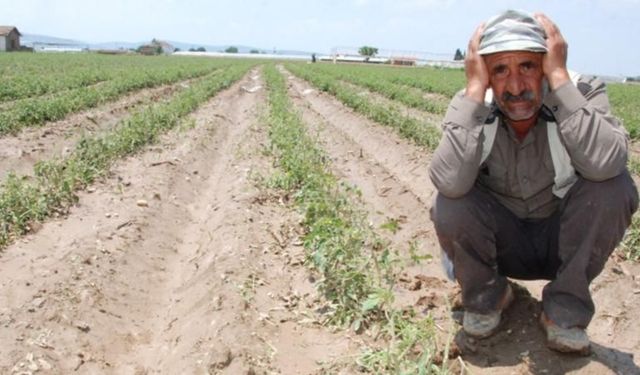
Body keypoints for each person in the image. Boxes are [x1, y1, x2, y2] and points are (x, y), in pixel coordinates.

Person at [429, 9, 638, 354]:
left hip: (563, 242)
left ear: (546, 63)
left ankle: (564, 311)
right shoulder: (472, 105)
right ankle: (489, 296)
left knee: (614, 187)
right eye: (499, 70)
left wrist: (559, 79)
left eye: (528, 66)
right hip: (502, 244)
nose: (514, 86)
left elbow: (605, 164)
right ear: (485, 73)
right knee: (450, 200)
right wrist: (474, 90)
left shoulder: (581, 92)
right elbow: (449, 183)